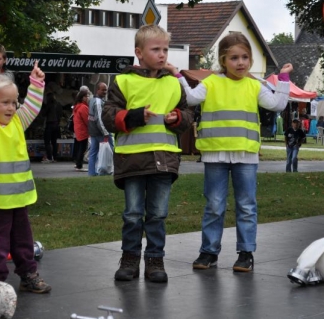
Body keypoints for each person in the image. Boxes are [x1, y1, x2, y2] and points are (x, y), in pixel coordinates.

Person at [165, 32, 293, 272]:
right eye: (234, 58)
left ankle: (245, 253)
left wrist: (284, 78)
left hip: (246, 155)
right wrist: (179, 75)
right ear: (223, 60)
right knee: (214, 205)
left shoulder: (255, 85)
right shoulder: (212, 82)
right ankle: (209, 252)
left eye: (245, 57)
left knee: (246, 205)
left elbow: (278, 104)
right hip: (215, 155)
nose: (241, 62)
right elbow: (191, 98)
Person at [102, 24, 193, 283]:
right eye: (156, 49)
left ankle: (155, 260)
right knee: (132, 214)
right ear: (139, 52)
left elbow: (187, 115)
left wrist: (178, 117)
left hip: (164, 161)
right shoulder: (123, 81)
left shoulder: (174, 85)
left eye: (165, 49)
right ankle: (129, 259)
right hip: (132, 160)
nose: (162, 54)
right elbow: (108, 116)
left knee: (157, 214)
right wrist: (134, 116)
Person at [0, 59, 51, 293]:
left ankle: (28, 275)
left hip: (18, 199)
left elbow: (31, 108)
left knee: (23, 242)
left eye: (14, 102)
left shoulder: (16, 123)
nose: (12, 108)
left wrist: (36, 83)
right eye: (4, 102)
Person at [88, 82, 113, 176]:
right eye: (103, 90)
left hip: (94, 131)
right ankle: (105, 170)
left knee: (93, 153)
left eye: (106, 90)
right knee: (109, 150)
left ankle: (92, 173)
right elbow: (99, 118)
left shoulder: (92, 100)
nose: (105, 92)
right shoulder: (98, 102)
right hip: (101, 132)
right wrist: (106, 132)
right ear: (97, 90)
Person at [40, 91, 62, 163]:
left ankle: (49, 157)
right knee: (54, 142)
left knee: (47, 141)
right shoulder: (58, 104)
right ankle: (55, 157)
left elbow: (43, 114)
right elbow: (60, 115)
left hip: (49, 124)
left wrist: (43, 106)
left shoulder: (49, 105)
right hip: (56, 125)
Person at [73, 89, 89, 172]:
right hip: (83, 130)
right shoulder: (83, 107)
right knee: (82, 149)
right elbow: (87, 120)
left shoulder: (77, 106)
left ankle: (77, 164)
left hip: (78, 130)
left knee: (79, 148)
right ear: (82, 97)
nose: (87, 98)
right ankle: (79, 166)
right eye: (86, 96)